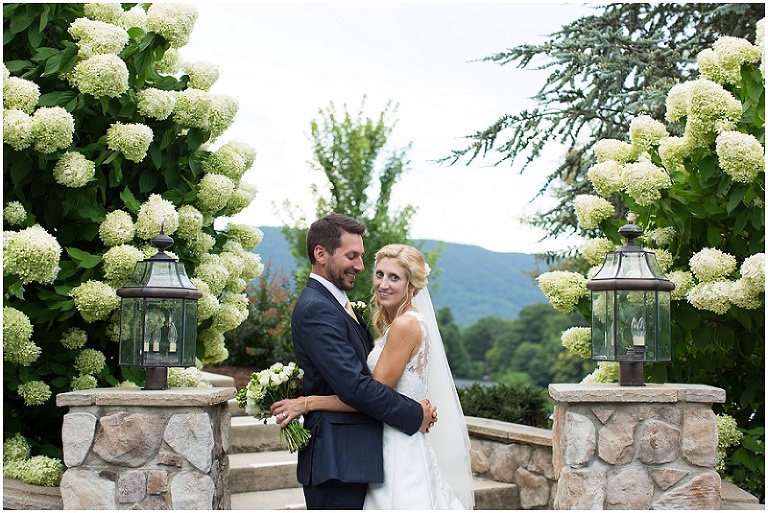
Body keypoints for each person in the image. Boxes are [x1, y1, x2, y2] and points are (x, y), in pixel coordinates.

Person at [274, 242, 474, 510]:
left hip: (397, 446)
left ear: (411, 284)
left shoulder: (404, 325)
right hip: (392, 436)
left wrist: (307, 402)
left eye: (394, 277)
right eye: (380, 274)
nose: (383, 284)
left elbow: (368, 393)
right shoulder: (404, 321)